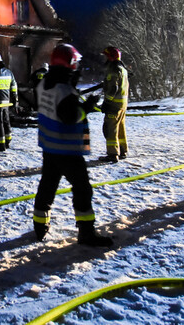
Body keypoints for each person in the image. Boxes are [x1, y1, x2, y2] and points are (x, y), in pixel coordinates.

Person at [33, 43, 113, 246]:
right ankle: (86, 232)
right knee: (82, 190)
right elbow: (70, 116)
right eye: (75, 63)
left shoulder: (45, 84)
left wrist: (75, 93)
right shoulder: (64, 89)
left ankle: (39, 226)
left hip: (50, 148)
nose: (77, 66)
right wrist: (86, 106)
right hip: (68, 150)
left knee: (47, 187)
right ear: (69, 63)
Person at [100, 46, 129, 162]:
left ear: (111, 57)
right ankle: (123, 151)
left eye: (106, 56)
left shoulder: (113, 70)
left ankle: (112, 154)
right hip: (122, 104)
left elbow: (113, 88)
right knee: (120, 128)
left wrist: (106, 102)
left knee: (110, 129)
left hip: (114, 105)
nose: (105, 58)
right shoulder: (123, 69)